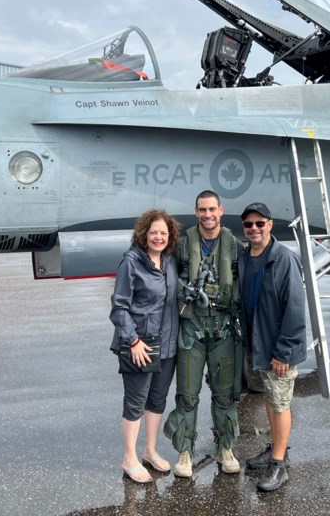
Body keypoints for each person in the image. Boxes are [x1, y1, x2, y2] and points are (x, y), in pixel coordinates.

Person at [164, 190, 245, 478]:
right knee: (187, 395)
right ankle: (185, 451)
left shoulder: (236, 246)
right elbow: (167, 282)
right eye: (202, 210)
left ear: (221, 210)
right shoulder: (183, 245)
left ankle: (226, 448)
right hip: (192, 329)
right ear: (196, 211)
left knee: (224, 396)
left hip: (223, 329)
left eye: (212, 209)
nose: (207, 215)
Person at [238, 202, 306, 492]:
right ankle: (276, 447)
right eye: (249, 224)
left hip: (278, 349)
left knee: (280, 404)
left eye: (259, 223)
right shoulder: (245, 257)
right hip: (258, 344)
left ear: (270, 224)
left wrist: (284, 351)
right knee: (269, 398)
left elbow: (294, 308)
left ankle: (278, 464)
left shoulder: (283, 259)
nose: (254, 228)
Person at [110, 209, 181, 483]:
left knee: (157, 399)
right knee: (135, 402)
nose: (159, 237)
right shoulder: (131, 262)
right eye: (154, 232)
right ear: (144, 234)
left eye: (164, 233)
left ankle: (150, 450)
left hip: (167, 344)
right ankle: (130, 457)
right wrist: (133, 341)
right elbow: (119, 308)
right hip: (141, 343)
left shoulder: (168, 261)